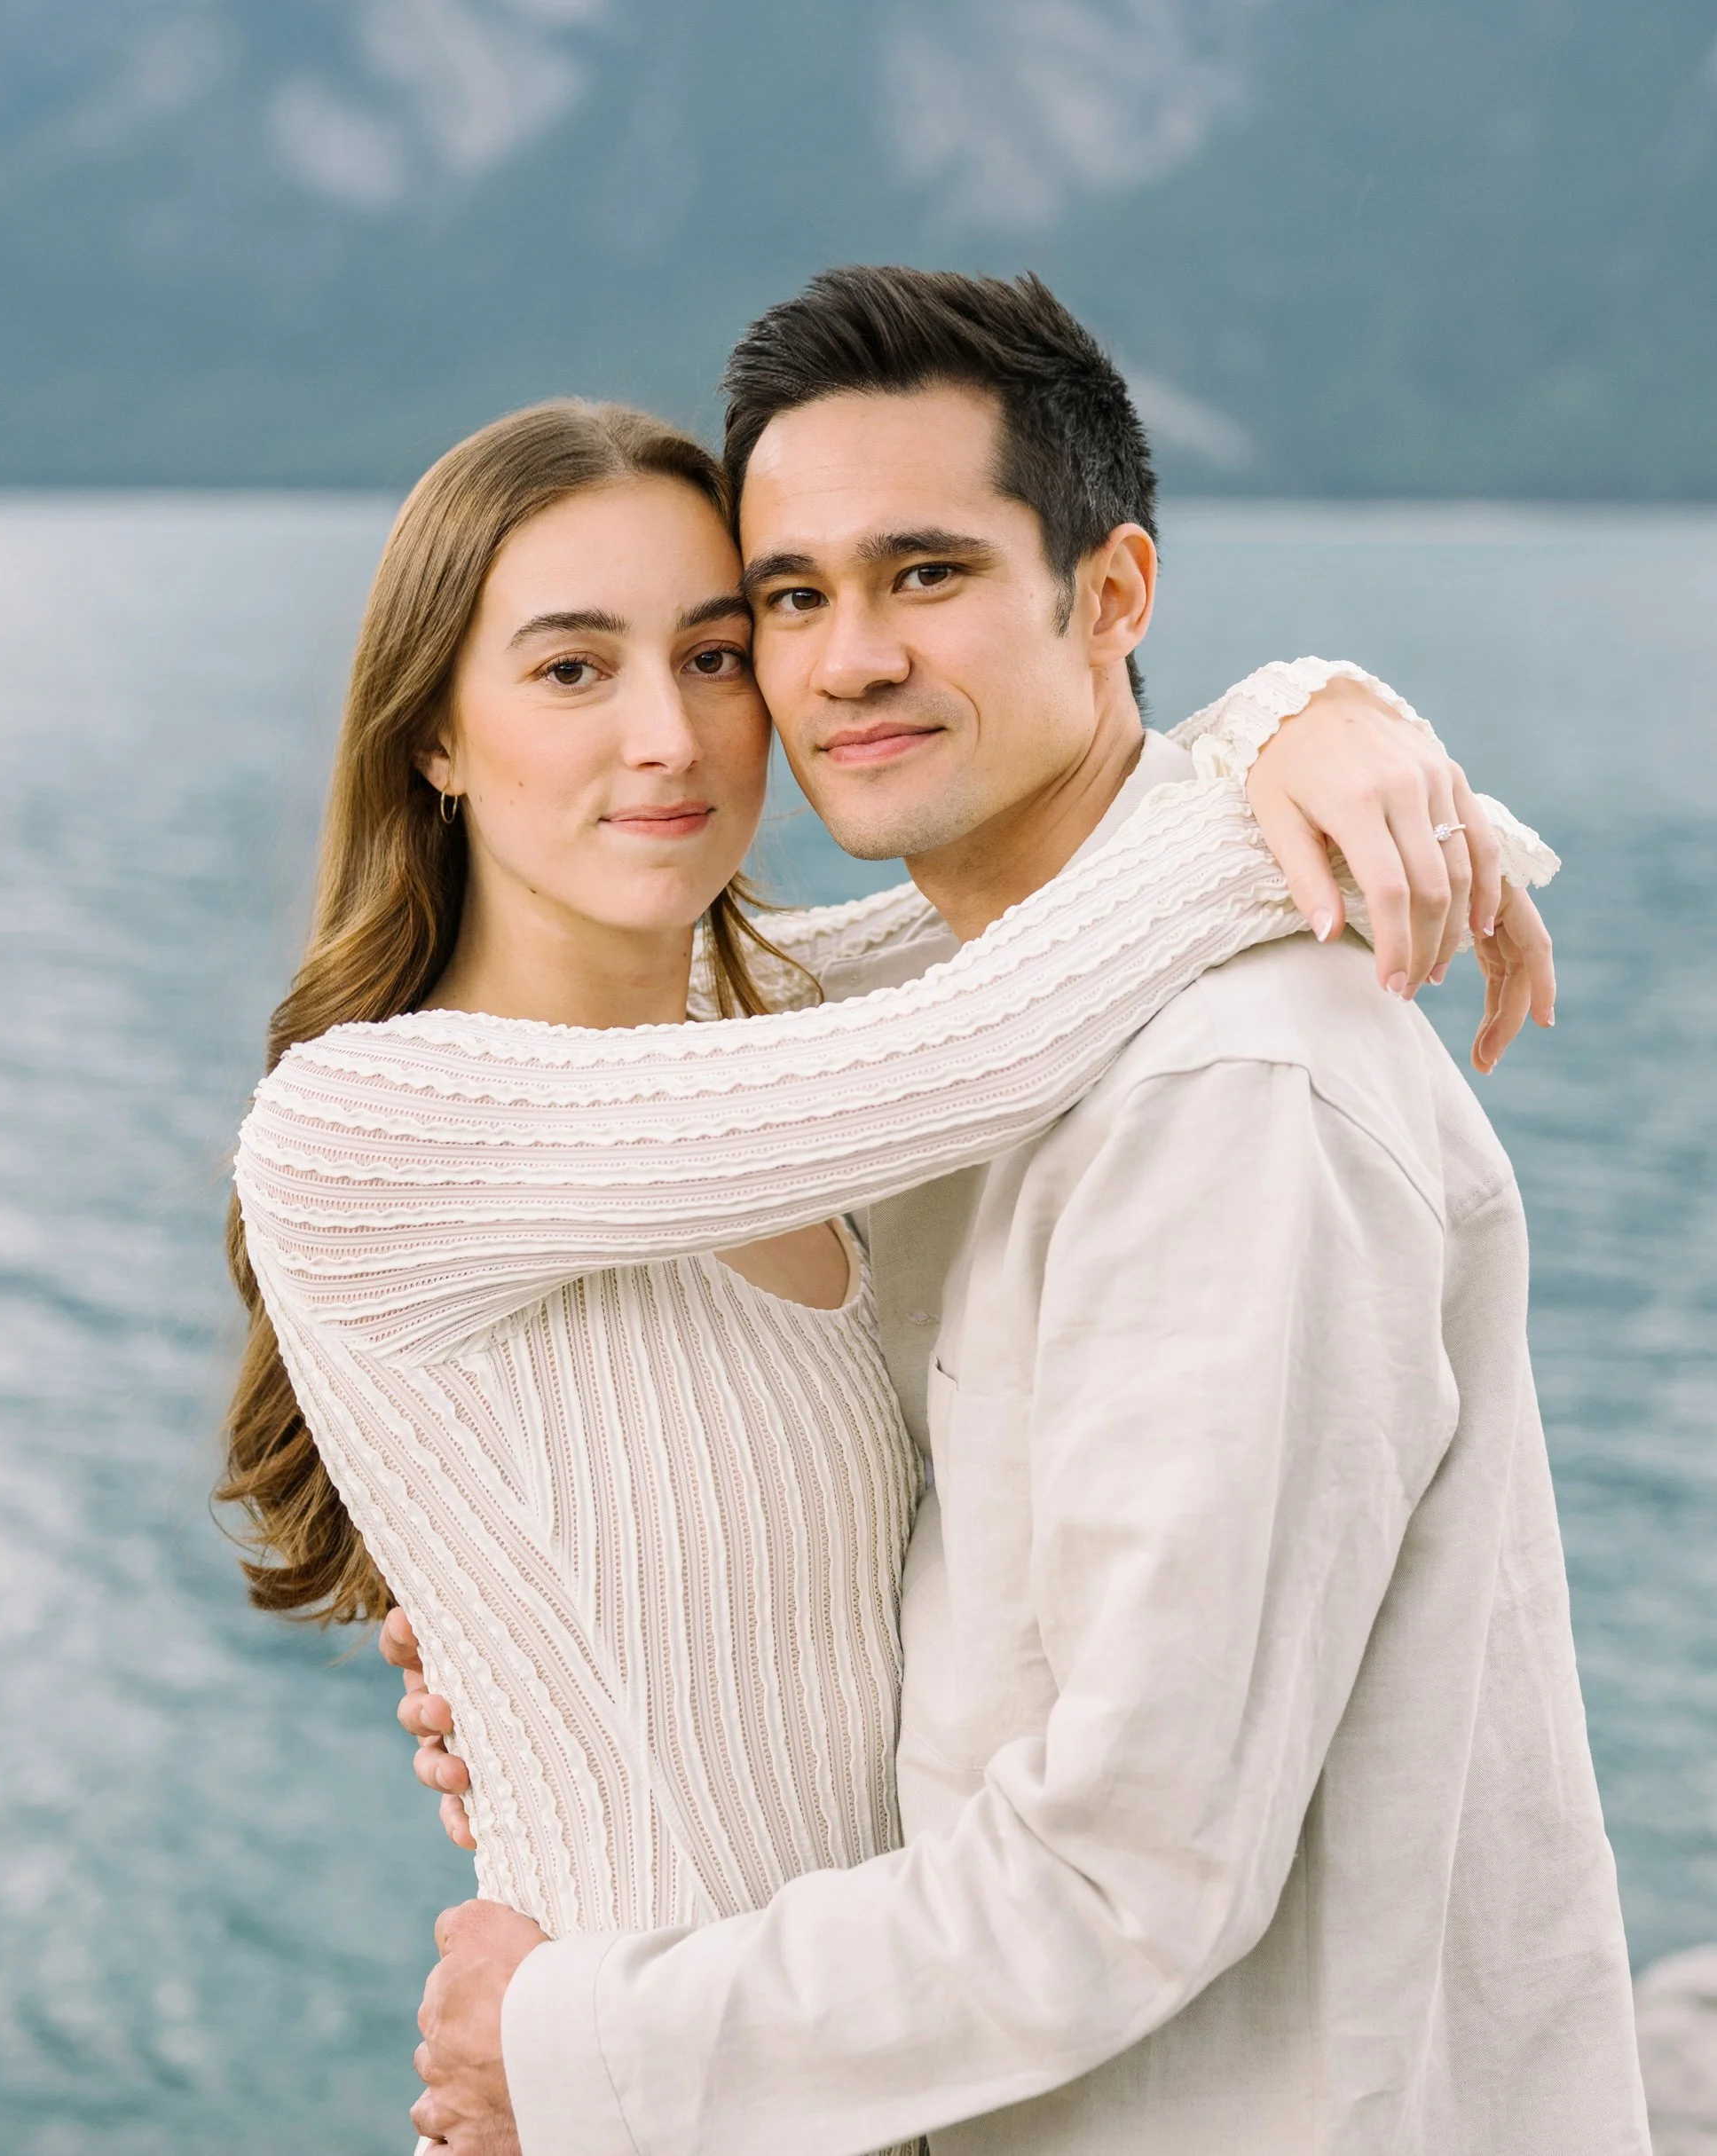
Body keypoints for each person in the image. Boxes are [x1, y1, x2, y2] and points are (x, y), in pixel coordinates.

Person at [381, 271, 1642, 2156]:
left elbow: (1128, 1870)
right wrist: (596, 1660)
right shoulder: (935, 1040)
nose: (846, 661)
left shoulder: (1230, 1099)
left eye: (928, 574)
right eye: (788, 600)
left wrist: (572, 2051)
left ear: (1112, 594)